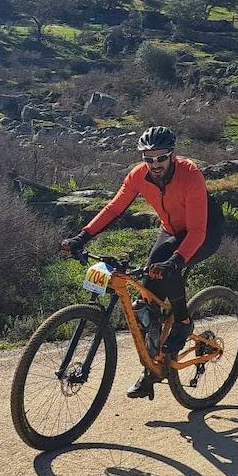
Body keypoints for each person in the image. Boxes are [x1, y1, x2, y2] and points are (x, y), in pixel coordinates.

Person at [61, 126, 223, 400]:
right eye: (149, 158)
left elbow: (197, 231)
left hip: (204, 230)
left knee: (167, 270)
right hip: (171, 230)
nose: (155, 164)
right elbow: (114, 208)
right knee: (147, 302)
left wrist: (176, 260)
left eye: (161, 157)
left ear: (172, 155)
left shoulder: (190, 174)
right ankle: (152, 370)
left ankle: (183, 321)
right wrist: (81, 237)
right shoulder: (138, 175)